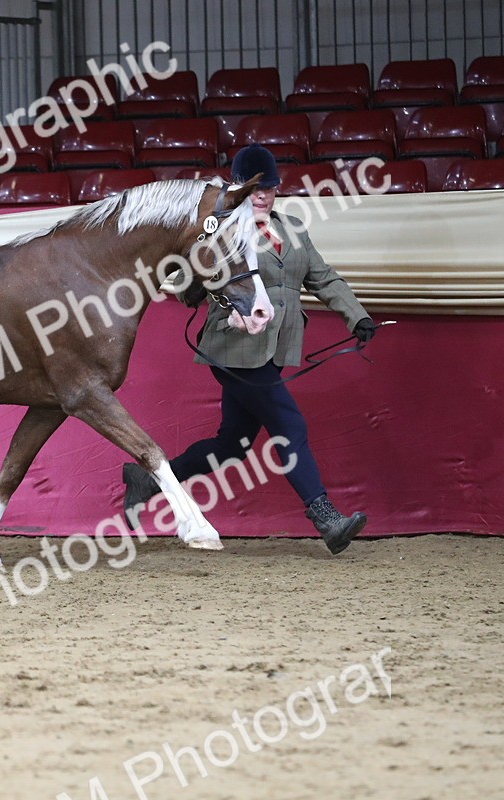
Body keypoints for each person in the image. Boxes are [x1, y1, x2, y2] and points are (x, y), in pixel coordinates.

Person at [122, 143, 378, 555]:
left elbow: (324, 279)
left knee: (233, 445)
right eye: (253, 188)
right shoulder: (219, 227)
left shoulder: (293, 228)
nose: (262, 196)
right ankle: (326, 518)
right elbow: (187, 288)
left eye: (269, 188)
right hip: (233, 346)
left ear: (278, 189)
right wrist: (198, 273)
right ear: (239, 187)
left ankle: (148, 479)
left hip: (275, 347)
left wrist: (357, 316)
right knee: (289, 425)